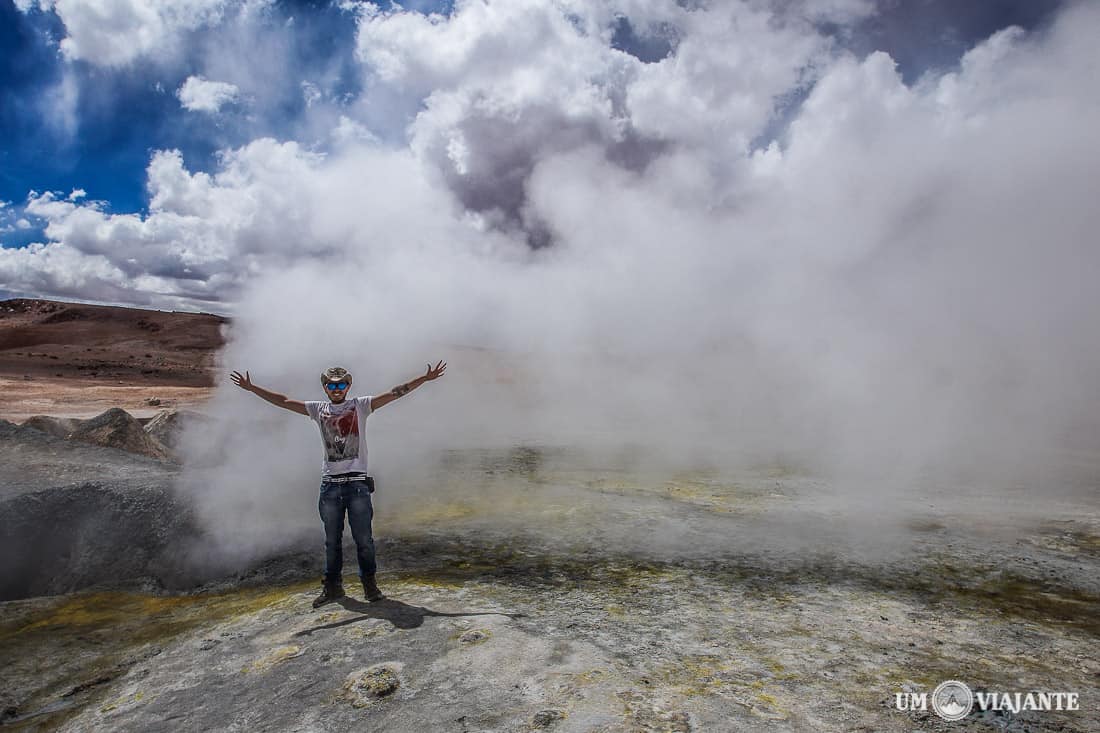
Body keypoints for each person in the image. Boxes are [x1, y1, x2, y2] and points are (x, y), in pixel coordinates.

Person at [230, 361, 447, 608]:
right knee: (331, 541)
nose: (337, 388)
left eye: (341, 384)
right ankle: (332, 588)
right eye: (332, 385)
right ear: (325, 387)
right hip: (330, 486)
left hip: (357, 486)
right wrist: (252, 388)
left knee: (364, 539)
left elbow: (395, 393)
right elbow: (285, 401)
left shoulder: (361, 405)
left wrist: (423, 379)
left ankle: (370, 586)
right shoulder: (317, 409)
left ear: (348, 385)